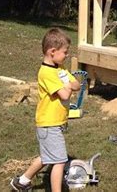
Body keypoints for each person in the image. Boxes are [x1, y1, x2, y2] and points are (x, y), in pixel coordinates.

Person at [11, 28, 80, 191]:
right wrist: (68, 85)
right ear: (52, 52)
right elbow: (64, 95)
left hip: (55, 122)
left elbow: (77, 83)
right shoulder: (47, 73)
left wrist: (69, 84)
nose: (67, 55)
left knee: (47, 156)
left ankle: (22, 181)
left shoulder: (60, 69)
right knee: (59, 160)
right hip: (49, 124)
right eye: (65, 52)